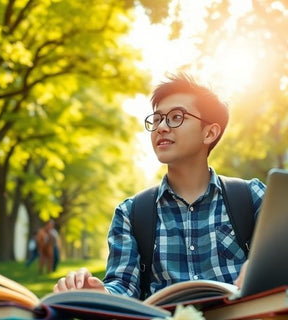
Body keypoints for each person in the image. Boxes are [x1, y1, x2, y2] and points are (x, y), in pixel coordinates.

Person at [53, 73, 266, 298]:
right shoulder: (131, 213)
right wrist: (99, 292)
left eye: (176, 117)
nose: (161, 127)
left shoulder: (252, 197)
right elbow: (124, 286)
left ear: (209, 133)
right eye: (157, 119)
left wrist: (261, 267)